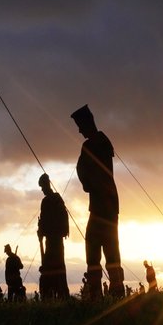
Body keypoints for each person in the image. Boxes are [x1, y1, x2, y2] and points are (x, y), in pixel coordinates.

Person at [72, 105, 123, 298]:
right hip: (109, 204)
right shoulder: (103, 141)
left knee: (94, 244)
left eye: (80, 125)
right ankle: (115, 290)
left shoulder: (91, 144)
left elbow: (84, 171)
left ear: (87, 123)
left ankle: (96, 292)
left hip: (102, 204)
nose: (79, 130)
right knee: (110, 246)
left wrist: (86, 180)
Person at [37, 173, 70, 299]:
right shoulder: (53, 200)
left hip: (54, 240)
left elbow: (50, 220)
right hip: (52, 240)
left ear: (47, 184)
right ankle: (54, 294)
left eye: (42, 187)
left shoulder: (52, 200)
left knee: (55, 267)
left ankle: (58, 294)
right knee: (54, 267)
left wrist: (42, 230)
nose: (42, 190)